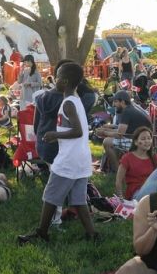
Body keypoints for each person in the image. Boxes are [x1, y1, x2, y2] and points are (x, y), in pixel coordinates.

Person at [18, 62, 100, 244]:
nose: (55, 80)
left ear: (64, 81)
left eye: (58, 77)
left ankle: (42, 233)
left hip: (68, 159)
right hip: (80, 158)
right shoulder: (75, 99)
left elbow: (77, 131)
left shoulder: (69, 103)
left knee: (50, 196)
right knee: (78, 200)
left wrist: (55, 134)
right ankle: (92, 234)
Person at [96, 90, 152, 173]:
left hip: (139, 141)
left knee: (106, 142)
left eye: (115, 102)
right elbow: (124, 129)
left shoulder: (127, 112)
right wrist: (108, 128)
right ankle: (116, 168)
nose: (114, 105)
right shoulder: (131, 108)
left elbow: (120, 134)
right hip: (142, 138)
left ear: (122, 102)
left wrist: (104, 133)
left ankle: (118, 171)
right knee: (111, 140)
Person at [115, 126, 157, 200]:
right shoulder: (127, 158)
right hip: (136, 194)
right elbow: (118, 181)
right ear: (135, 142)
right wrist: (121, 199)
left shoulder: (154, 157)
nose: (147, 141)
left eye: (149, 138)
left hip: (152, 193)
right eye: (143, 139)